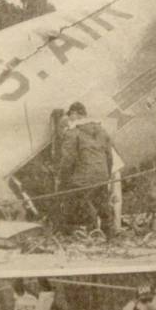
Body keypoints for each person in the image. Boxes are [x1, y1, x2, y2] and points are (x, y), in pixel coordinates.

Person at [56, 101, 115, 236]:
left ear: (74, 114)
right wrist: (107, 175)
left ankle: (90, 230)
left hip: (84, 176)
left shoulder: (73, 133)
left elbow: (67, 160)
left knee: (79, 197)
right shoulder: (101, 130)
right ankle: (110, 232)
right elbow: (109, 156)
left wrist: (62, 180)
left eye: (69, 116)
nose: (68, 120)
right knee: (102, 201)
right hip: (102, 174)